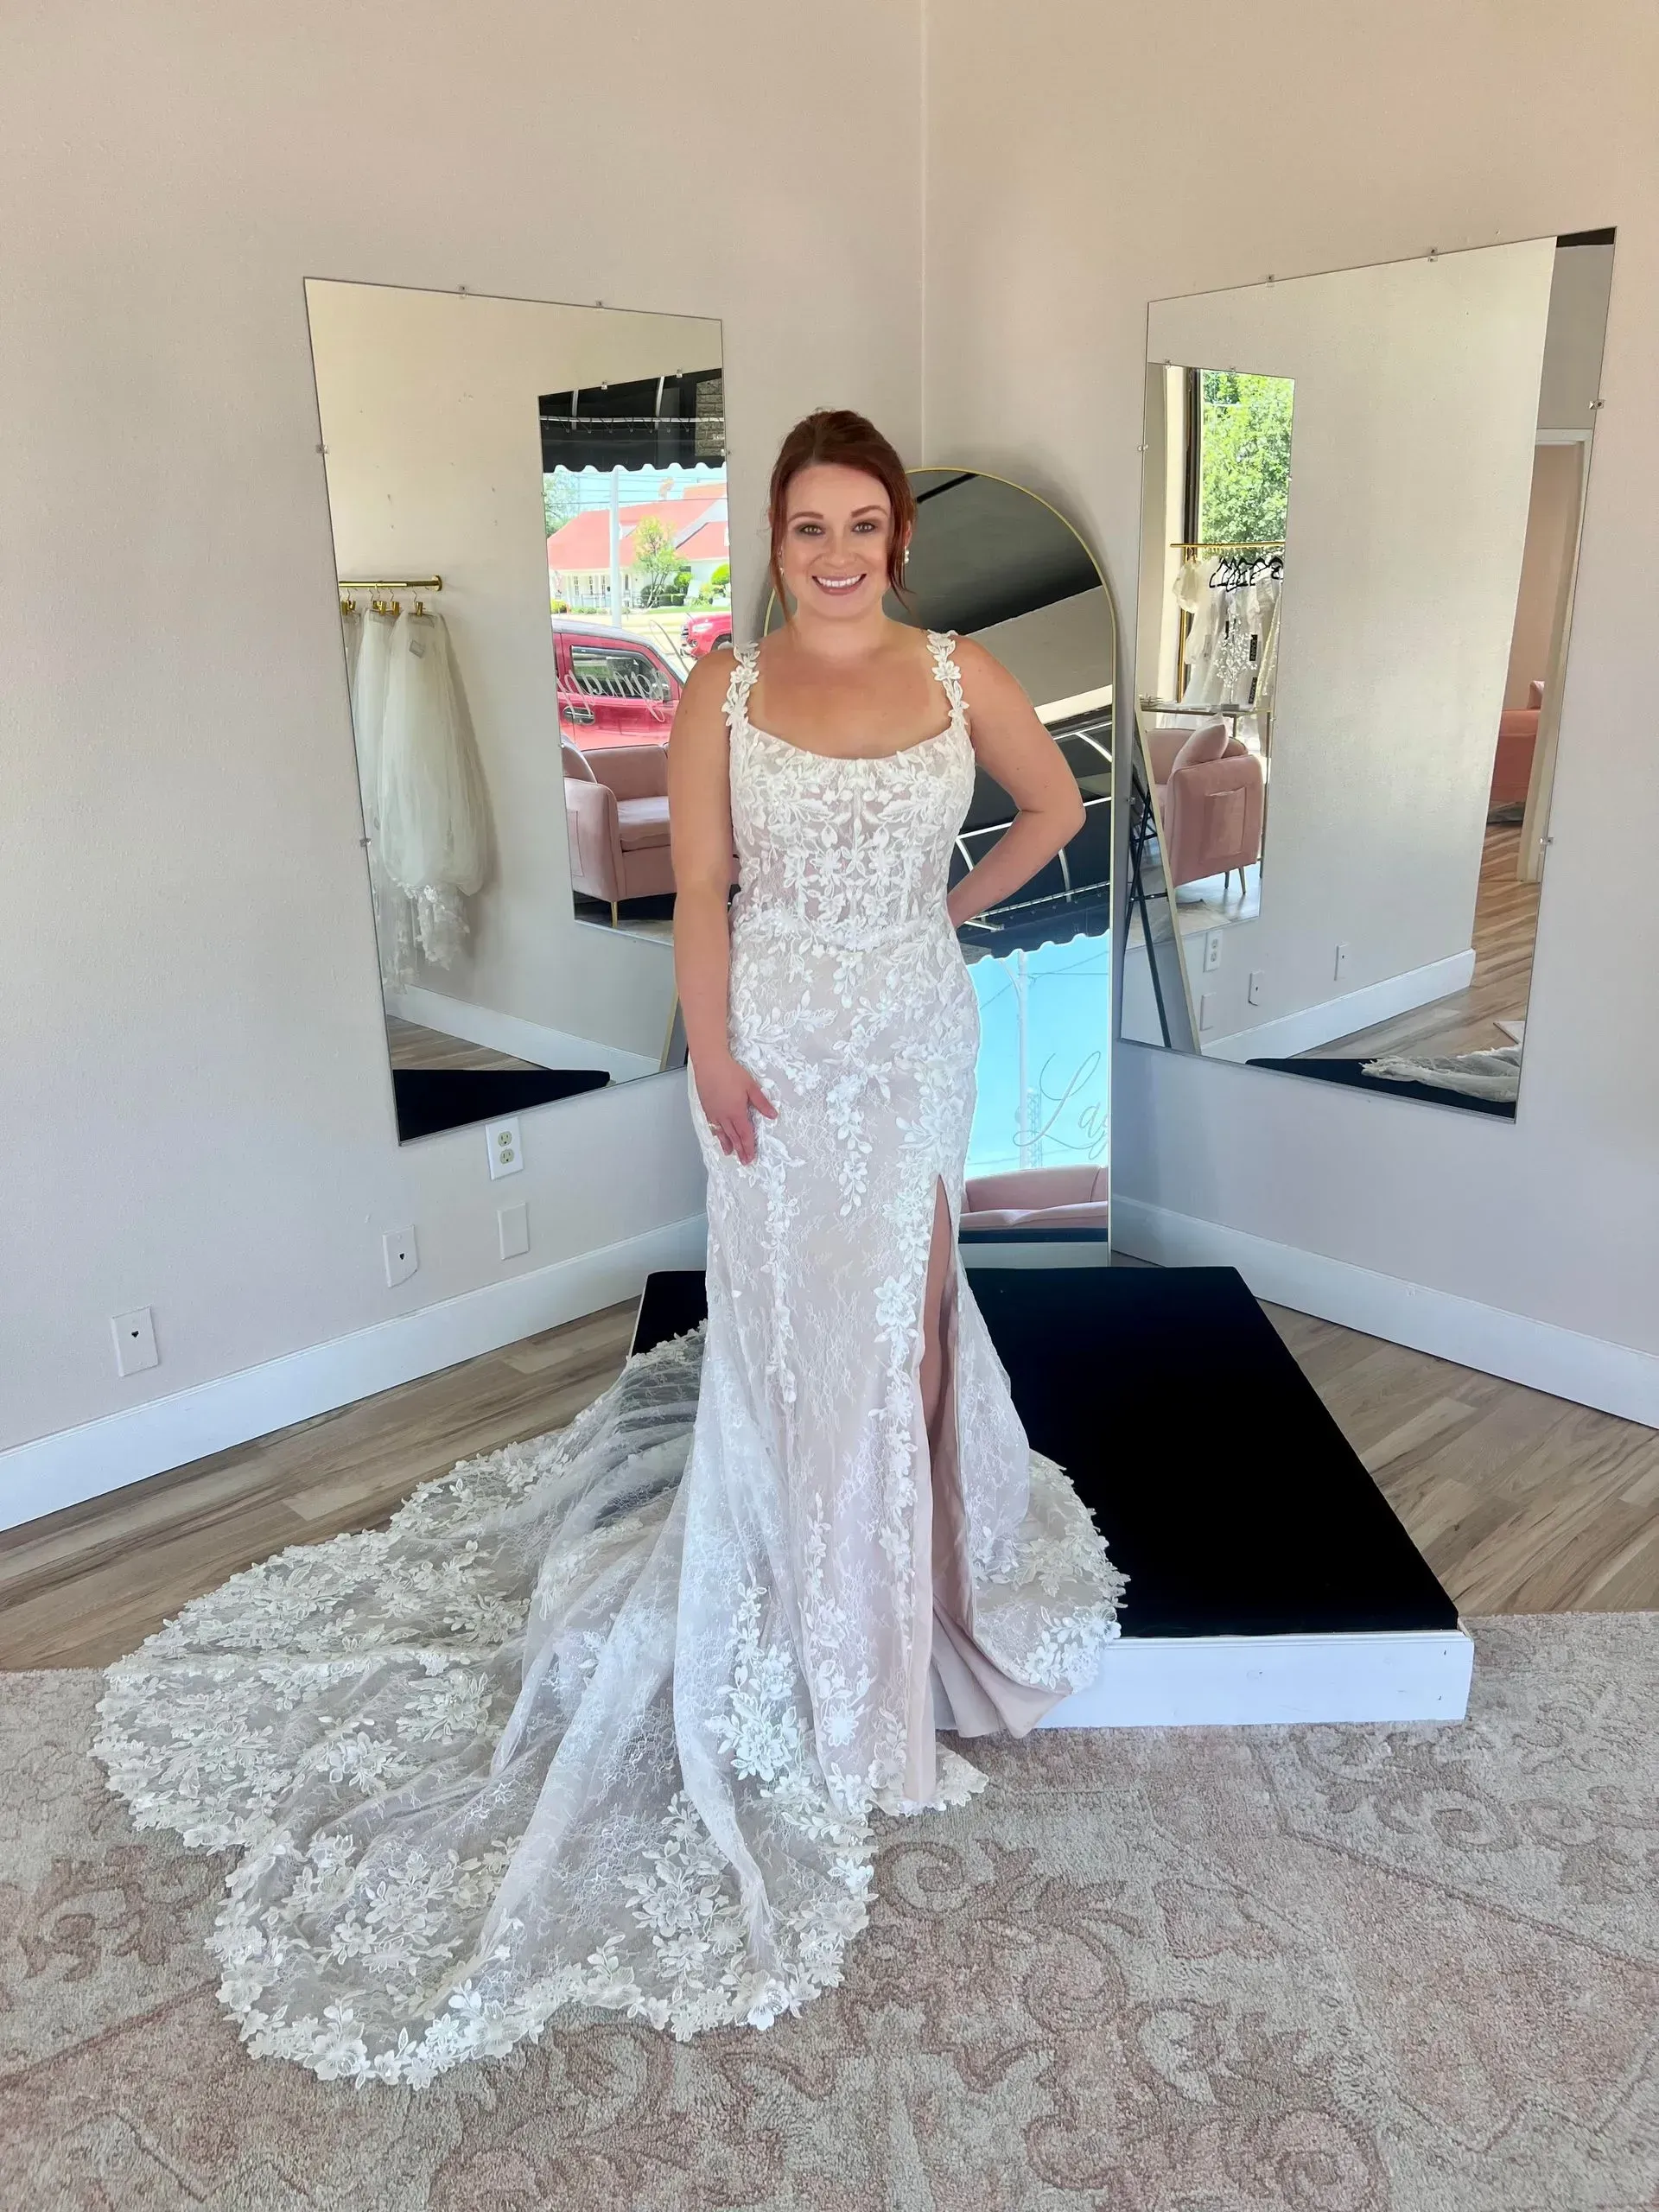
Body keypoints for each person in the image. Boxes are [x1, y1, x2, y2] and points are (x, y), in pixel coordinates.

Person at [94, 410, 1126, 2090]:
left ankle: (915, 1598)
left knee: (914, 1323)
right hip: (776, 1051)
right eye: (811, 524)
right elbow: (702, 885)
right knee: (800, 1333)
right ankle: (808, 1611)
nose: (841, 549)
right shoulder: (723, 682)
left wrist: (944, 912)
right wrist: (710, 1048)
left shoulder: (960, 674)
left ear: (898, 541)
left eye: (865, 522)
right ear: (777, 538)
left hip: (914, 1044)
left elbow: (1054, 808)